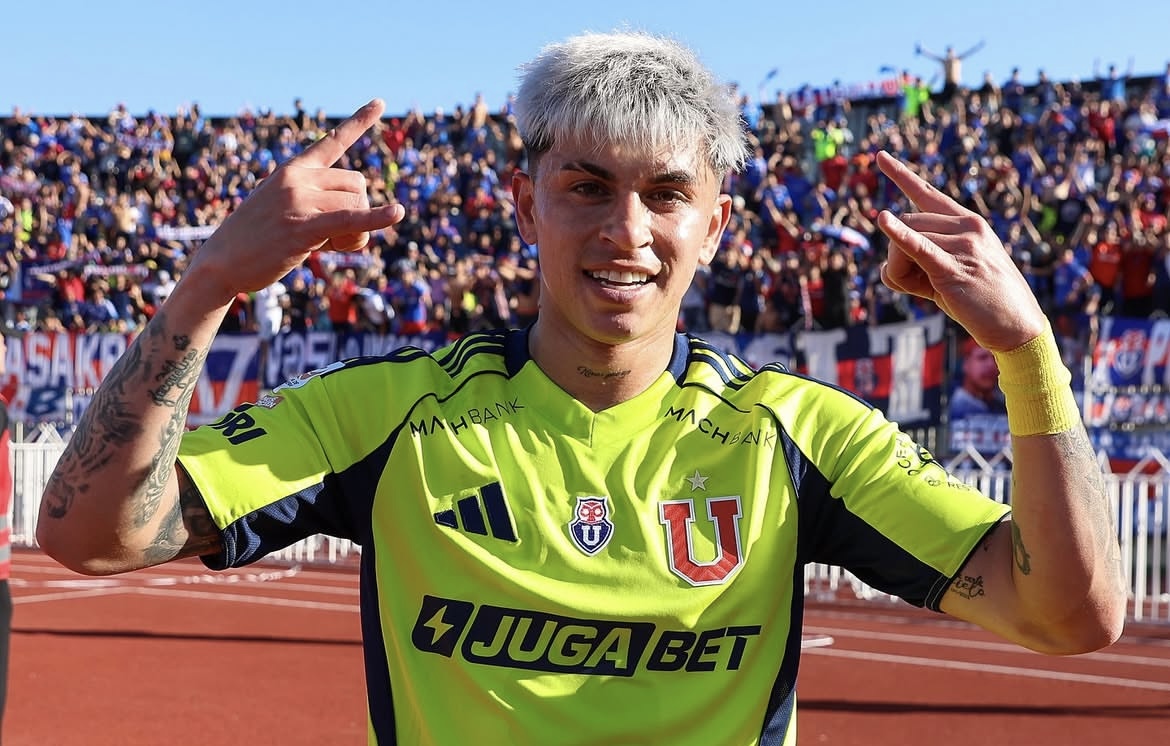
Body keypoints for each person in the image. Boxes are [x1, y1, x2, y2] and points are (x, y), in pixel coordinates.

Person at [35, 30, 1126, 745]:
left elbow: (1068, 615)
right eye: (587, 187)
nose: (627, 232)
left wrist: (1029, 353)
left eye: (665, 193)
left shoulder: (796, 433)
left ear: (716, 224)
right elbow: (93, 533)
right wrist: (210, 282)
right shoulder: (390, 411)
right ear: (524, 204)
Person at [949, 337, 1008, 421]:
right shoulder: (947, 405)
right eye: (982, 357)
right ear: (966, 363)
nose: (991, 365)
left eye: (995, 359)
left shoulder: (1008, 406)